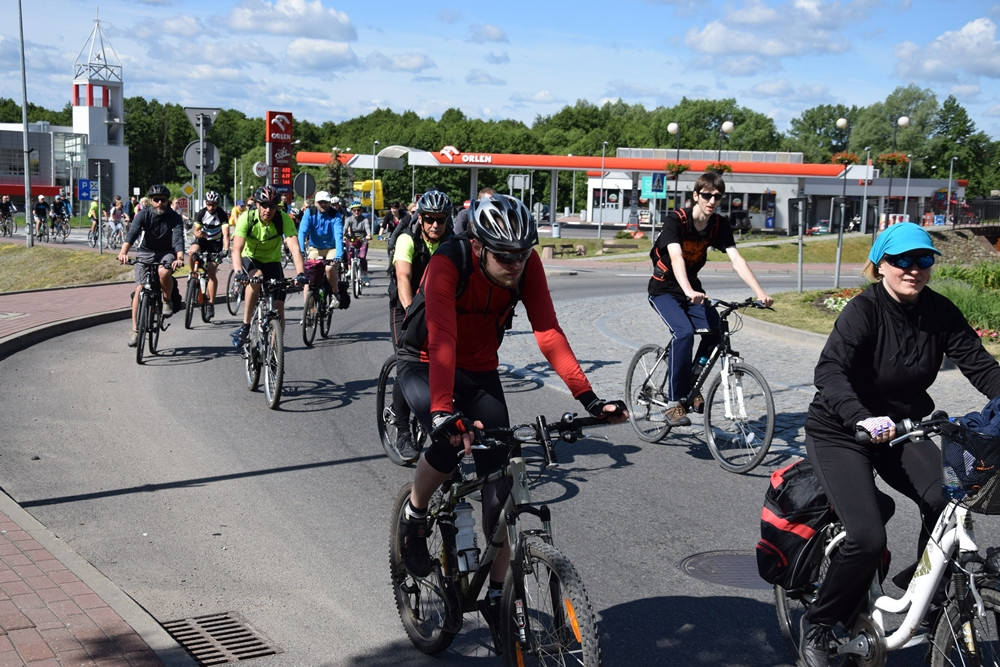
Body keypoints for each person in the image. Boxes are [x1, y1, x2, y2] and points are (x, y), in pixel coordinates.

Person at [394, 193, 628, 632]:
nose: (516, 264)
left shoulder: (526, 264)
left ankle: (499, 595)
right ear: (480, 247)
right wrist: (445, 413)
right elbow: (442, 337)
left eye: (522, 254)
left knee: (500, 483)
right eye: (505, 256)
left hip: (480, 369)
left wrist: (589, 399)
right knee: (447, 445)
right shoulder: (449, 261)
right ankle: (416, 513)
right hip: (425, 363)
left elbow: (548, 331)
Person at [797, 222, 1000, 667]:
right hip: (840, 430)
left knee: (947, 499)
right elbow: (830, 371)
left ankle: (922, 589)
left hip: (903, 429)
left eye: (923, 260)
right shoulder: (863, 311)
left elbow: (982, 369)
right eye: (902, 261)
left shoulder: (941, 312)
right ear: (881, 265)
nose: (913, 269)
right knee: (868, 537)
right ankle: (818, 622)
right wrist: (861, 417)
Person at [646, 171, 773, 426]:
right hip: (664, 290)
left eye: (717, 196)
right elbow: (677, 257)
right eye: (706, 195)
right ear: (695, 196)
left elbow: (737, 260)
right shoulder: (676, 221)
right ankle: (674, 402)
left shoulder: (718, 225)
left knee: (716, 333)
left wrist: (760, 293)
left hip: (692, 289)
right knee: (683, 333)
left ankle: (692, 384)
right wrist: (688, 291)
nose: (712, 201)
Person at [387, 190, 454, 461]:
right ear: (421, 218)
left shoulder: (453, 241)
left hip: (438, 308)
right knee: (407, 360)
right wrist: (410, 311)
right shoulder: (407, 238)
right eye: (429, 219)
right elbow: (403, 276)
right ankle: (402, 428)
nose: (435, 225)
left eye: (440, 220)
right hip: (405, 306)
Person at [230, 185, 308, 346]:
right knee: (256, 278)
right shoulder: (247, 217)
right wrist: (239, 272)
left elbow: (294, 248)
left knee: (279, 308)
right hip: (250, 258)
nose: (268, 210)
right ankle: (245, 325)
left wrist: (301, 273)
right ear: (257, 205)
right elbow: (236, 249)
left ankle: (275, 350)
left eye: (272, 206)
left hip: (273, 262)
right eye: (264, 205)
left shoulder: (282, 218)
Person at [117, 184, 186, 347]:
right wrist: (123, 252)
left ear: (167, 201)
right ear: (151, 201)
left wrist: (180, 257)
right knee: (139, 290)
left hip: (166, 253)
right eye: (156, 200)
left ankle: (166, 300)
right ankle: (135, 330)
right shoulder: (143, 215)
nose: (159, 203)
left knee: (163, 272)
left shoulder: (174, 217)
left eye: (163, 200)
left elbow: (178, 239)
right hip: (145, 252)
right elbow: (132, 233)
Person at [297, 190, 346, 311]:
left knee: (329, 268)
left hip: (332, 248)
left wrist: (338, 255)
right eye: (320, 202)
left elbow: (338, 235)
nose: (323, 204)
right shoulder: (310, 212)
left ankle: (335, 294)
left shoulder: (335, 215)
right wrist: (301, 250)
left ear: (329, 203)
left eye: (326, 202)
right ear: (315, 203)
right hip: (315, 248)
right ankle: (308, 310)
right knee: (310, 278)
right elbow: (302, 232)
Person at [188, 191, 229, 321]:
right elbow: (195, 231)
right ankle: (192, 274)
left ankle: (211, 303)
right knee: (192, 252)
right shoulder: (201, 213)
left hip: (216, 244)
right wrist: (199, 234)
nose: (211, 207)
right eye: (209, 204)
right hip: (203, 240)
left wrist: (226, 249)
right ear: (206, 203)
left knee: (211, 271)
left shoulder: (221, 214)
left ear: (217, 204)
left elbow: (226, 234)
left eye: (214, 205)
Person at [344, 202, 373, 285]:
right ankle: (350, 270)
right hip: (352, 239)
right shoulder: (349, 219)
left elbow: (367, 228)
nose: (356, 212)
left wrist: (368, 235)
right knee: (349, 254)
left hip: (363, 240)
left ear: (361, 210)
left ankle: (365, 275)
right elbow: (345, 228)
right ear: (352, 211)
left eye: (358, 210)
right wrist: (343, 235)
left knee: (362, 257)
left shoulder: (364, 219)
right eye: (354, 210)